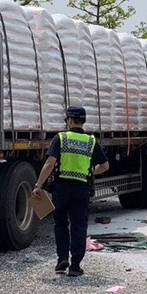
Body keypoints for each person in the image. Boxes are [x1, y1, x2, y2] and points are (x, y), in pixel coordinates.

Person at [33, 106, 109, 276]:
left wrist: (39, 185)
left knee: (60, 224)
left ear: (70, 120)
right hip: (81, 189)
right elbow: (105, 166)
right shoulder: (91, 141)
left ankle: (62, 259)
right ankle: (75, 266)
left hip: (62, 188)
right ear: (83, 121)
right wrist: (90, 172)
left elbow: (50, 164)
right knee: (79, 226)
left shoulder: (61, 138)